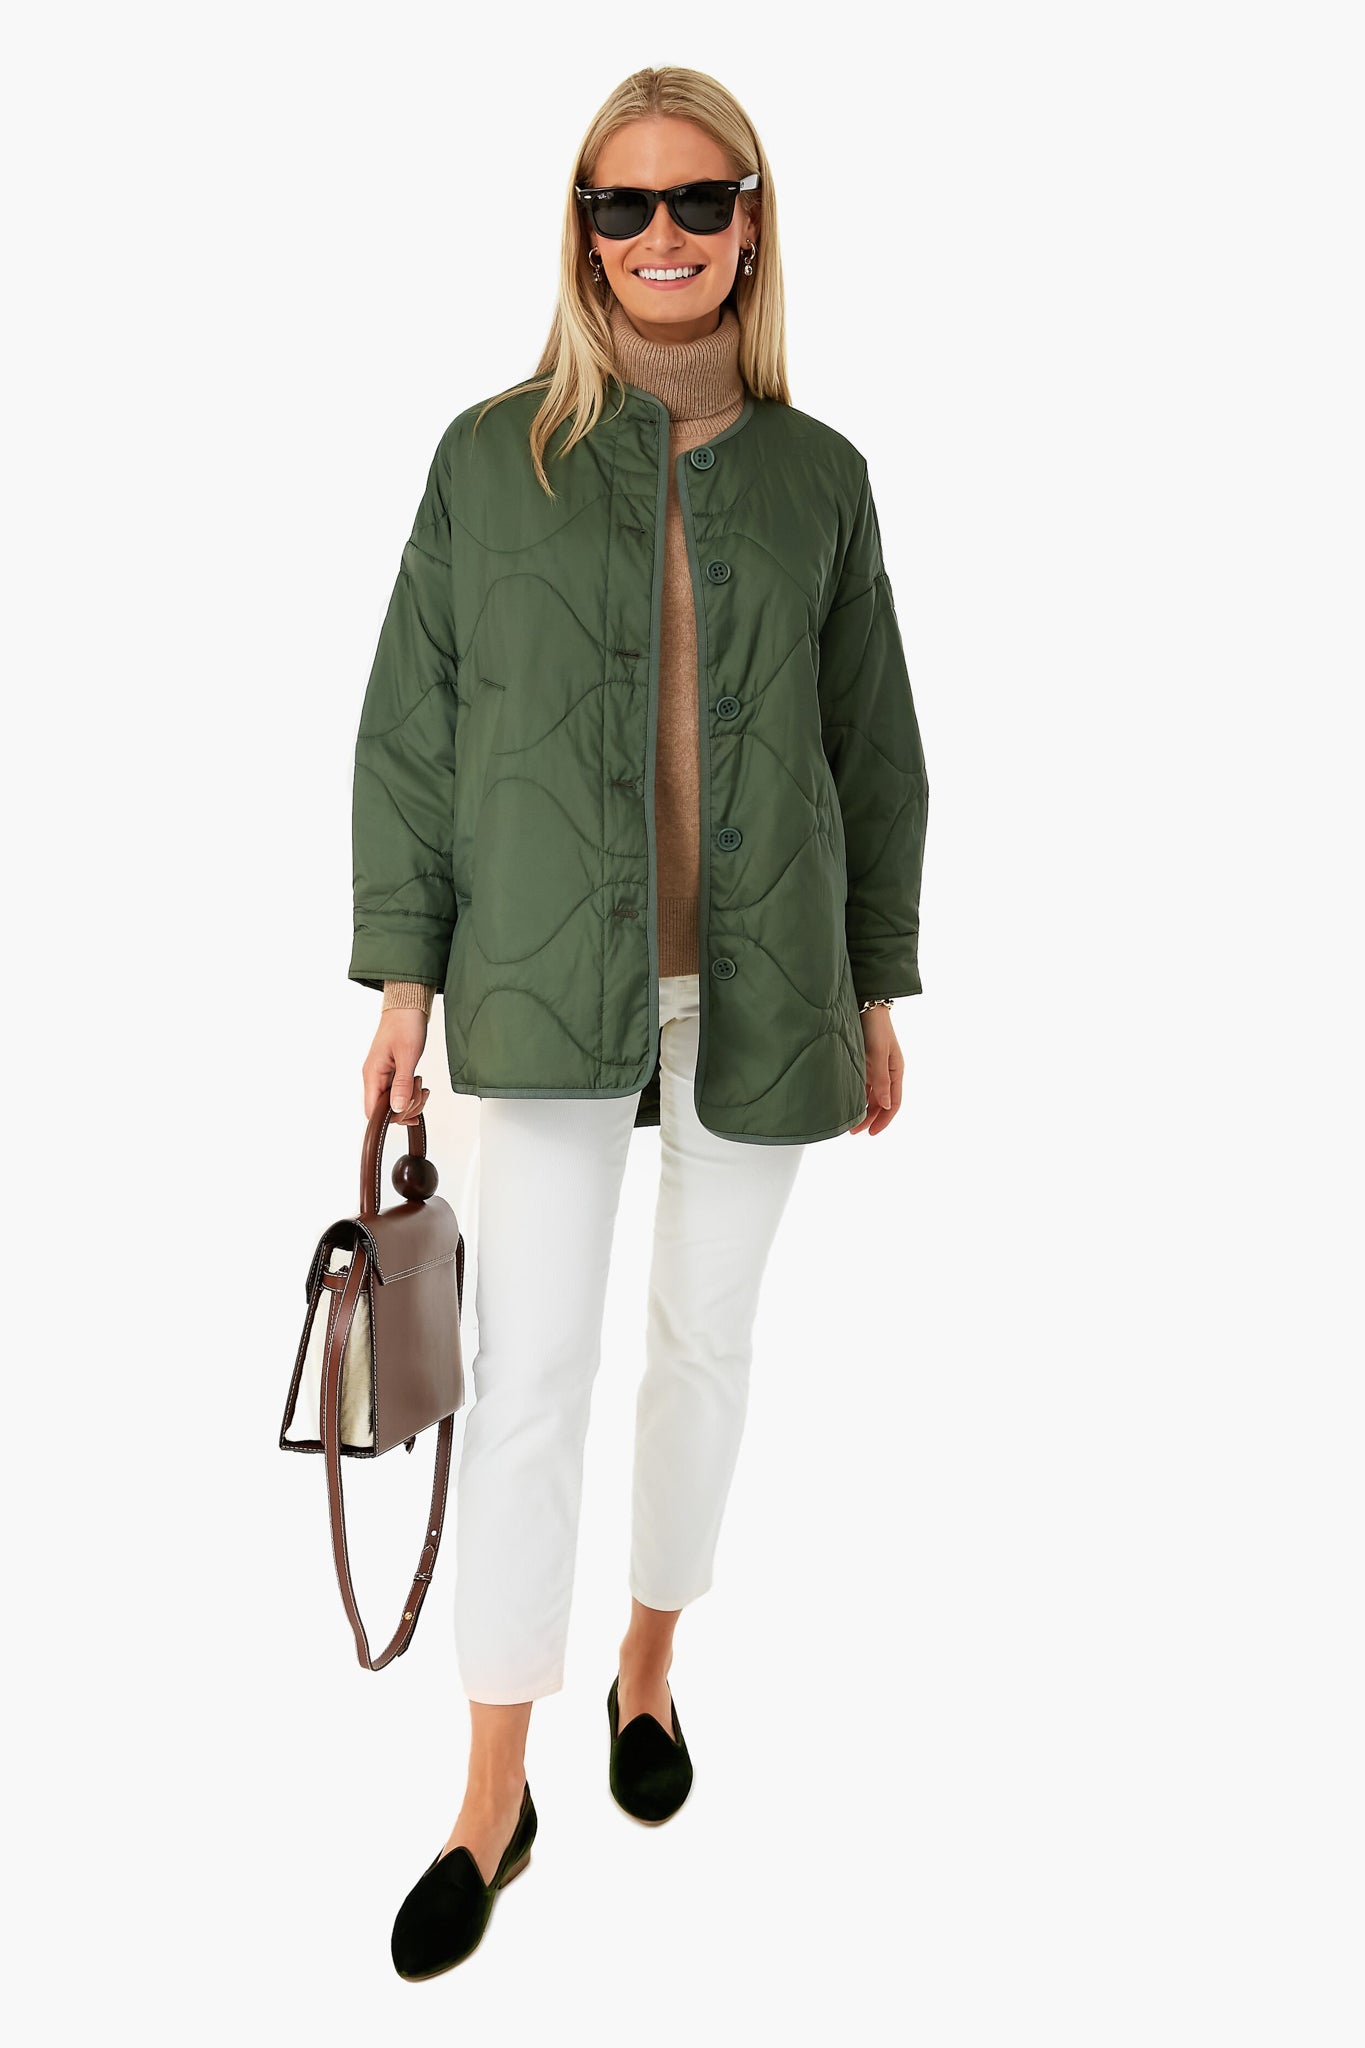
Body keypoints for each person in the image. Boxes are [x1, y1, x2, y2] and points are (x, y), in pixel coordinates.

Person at [347, 65, 929, 1980]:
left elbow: (874, 747)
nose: (660, 235)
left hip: (765, 980)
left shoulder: (822, 476)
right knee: (527, 1379)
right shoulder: (484, 458)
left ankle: (650, 1670)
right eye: (622, 204)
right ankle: (489, 1798)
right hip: (533, 975)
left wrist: (875, 984)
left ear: (750, 223)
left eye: (697, 200)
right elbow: (409, 731)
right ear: (581, 232)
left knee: (704, 1349)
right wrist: (402, 978)